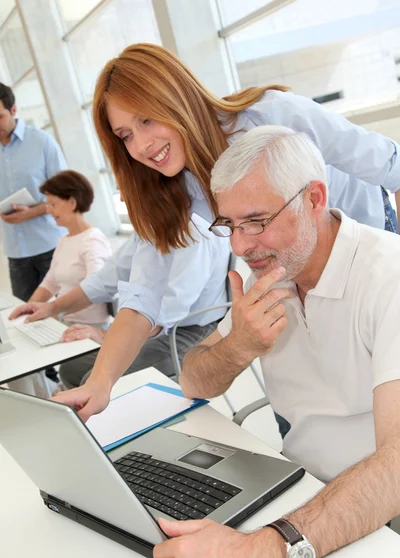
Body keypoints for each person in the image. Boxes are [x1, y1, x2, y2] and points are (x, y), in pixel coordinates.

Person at [53, 42, 400, 425]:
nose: (142, 145)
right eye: (125, 135)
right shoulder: (166, 190)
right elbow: (142, 299)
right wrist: (101, 384)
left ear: (176, 96)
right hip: (292, 275)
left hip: (367, 243)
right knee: (305, 401)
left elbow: (392, 166)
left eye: (147, 120)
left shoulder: (273, 114)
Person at [150, 125, 400, 558]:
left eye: (256, 221)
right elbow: (194, 381)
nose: (240, 247)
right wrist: (238, 345)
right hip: (300, 492)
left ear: (314, 198)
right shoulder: (270, 269)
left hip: (377, 509)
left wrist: (262, 555)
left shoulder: (389, 277)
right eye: (229, 225)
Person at [10, 214, 230, 390]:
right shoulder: (150, 228)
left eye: (127, 192)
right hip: (150, 329)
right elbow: (104, 280)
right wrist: (51, 307)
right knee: (71, 370)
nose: (123, 200)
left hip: (188, 333)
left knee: (93, 381)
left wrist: (106, 335)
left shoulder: (196, 234)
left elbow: (168, 313)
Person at [7, 169, 111, 398]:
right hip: (63, 323)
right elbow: (50, 282)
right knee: (18, 359)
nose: (49, 211)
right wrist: (28, 311)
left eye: (53, 204)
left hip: (84, 330)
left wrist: (54, 312)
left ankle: (51, 402)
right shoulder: (64, 240)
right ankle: (44, 404)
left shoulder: (93, 241)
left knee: (26, 364)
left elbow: (95, 290)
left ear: (71, 202)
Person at [0, 82, 67, 302]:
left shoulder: (42, 142)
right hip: (16, 253)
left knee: (66, 314)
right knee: (24, 320)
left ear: (13, 110)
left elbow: (65, 193)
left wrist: (33, 212)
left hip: (51, 247)